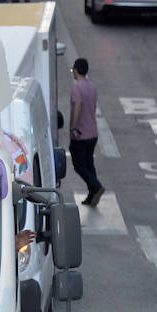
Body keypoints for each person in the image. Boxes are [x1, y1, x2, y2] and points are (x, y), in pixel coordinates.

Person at [69, 58, 104, 208]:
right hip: (93, 133)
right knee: (89, 164)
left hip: (81, 134)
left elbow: (77, 107)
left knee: (79, 165)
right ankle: (92, 195)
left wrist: (73, 128)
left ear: (76, 70)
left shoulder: (77, 87)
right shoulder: (92, 86)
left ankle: (96, 187)